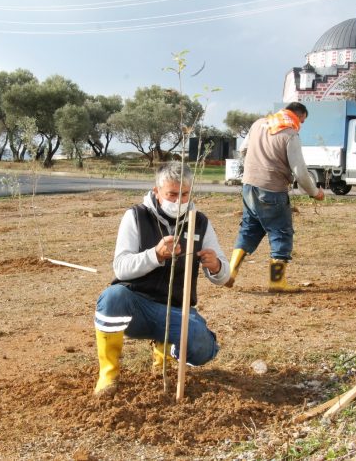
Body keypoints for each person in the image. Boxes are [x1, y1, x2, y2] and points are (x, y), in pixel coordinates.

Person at [92, 161, 230, 395]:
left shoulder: (200, 222)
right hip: (137, 307)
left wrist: (216, 266)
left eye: (184, 194)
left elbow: (223, 276)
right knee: (112, 297)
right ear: (157, 191)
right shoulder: (136, 216)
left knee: (203, 348)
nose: (178, 201)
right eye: (172, 194)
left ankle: (164, 352)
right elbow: (121, 268)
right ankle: (108, 374)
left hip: (176, 309)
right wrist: (154, 255)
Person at [226, 102, 325, 292]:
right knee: (281, 232)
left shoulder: (258, 124)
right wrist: (314, 192)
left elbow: (243, 150)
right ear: (298, 115)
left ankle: (230, 272)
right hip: (272, 190)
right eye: (302, 120)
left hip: (249, 187)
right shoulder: (290, 135)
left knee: (249, 228)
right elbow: (300, 172)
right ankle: (277, 282)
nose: (301, 125)